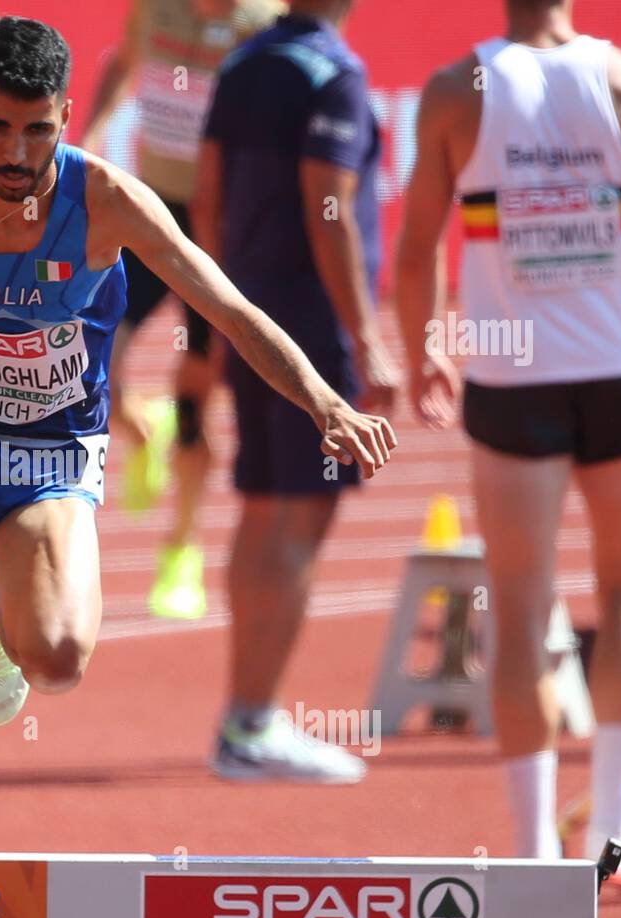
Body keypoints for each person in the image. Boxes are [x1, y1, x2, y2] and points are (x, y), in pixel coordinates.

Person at [0, 16, 396, 857]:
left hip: (54, 442)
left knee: (58, 660)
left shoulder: (108, 201)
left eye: (37, 129)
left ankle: (3, 627)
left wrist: (324, 403)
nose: (15, 153)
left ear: (67, 116)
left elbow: (227, 308)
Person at [396, 0, 621, 892]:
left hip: (514, 381)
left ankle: (532, 853)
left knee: (520, 604)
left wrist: (420, 351)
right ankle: (615, 827)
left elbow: (415, 249)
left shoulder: (454, 91)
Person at [197, 0, 397, 782]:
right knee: (298, 520)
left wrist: (221, 313)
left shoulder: (244, 62)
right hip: (310, 325)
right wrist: (367, 339)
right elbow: (332, 211)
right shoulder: (335, 75)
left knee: (261, 508)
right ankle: (251, 721)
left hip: (250, 313)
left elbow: (206, 199)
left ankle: (244, 716)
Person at [79, 0, 283, 620]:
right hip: (148, 210)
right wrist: (91, 135)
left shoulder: (261, 24)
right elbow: (123, 61)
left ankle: (181, 551)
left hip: (217, 227)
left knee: (198, 393)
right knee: (90, 359)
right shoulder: (156, 8)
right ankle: (144, 427)